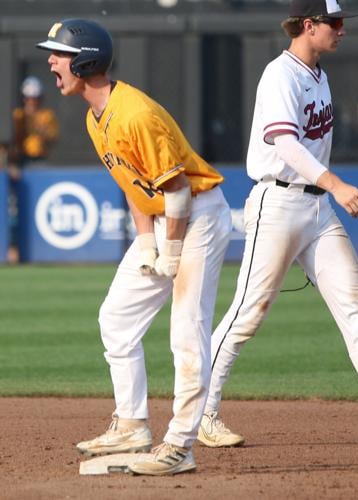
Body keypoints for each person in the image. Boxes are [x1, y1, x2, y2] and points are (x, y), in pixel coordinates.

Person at [36, 18, 232, 475]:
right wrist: (147, 242)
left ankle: (181, 444)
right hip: (165, 219)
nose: (51, 60)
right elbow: (133, 185)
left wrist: (173, 251)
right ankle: (131, 424)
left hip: (197, 216)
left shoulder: (135, 114)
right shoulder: (95, 116)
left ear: (84, 61)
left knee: (186, 331)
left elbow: (180, 190)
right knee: (117, 317)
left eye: (58, 54)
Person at [197, 0, 358, 449]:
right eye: (335, 22)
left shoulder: (319, 75)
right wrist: (337, 184)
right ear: (309, 25)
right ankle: (200, 411)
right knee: (247, 314)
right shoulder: (279, 74)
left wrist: (329, 190)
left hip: (317, 210)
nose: (341, 30)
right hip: (278, 203)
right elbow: (284, 143)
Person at [7, 76, 59, 263]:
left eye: (35, 98)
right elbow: (12, 139)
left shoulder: (46, 116)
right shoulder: (18, 115)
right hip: (21, 162)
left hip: (40, 161)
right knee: (15, 206)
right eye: (28, 98)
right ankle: (14, 247)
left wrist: (38, 124)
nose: (32, 102)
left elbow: (51, 138)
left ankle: (40, 246)